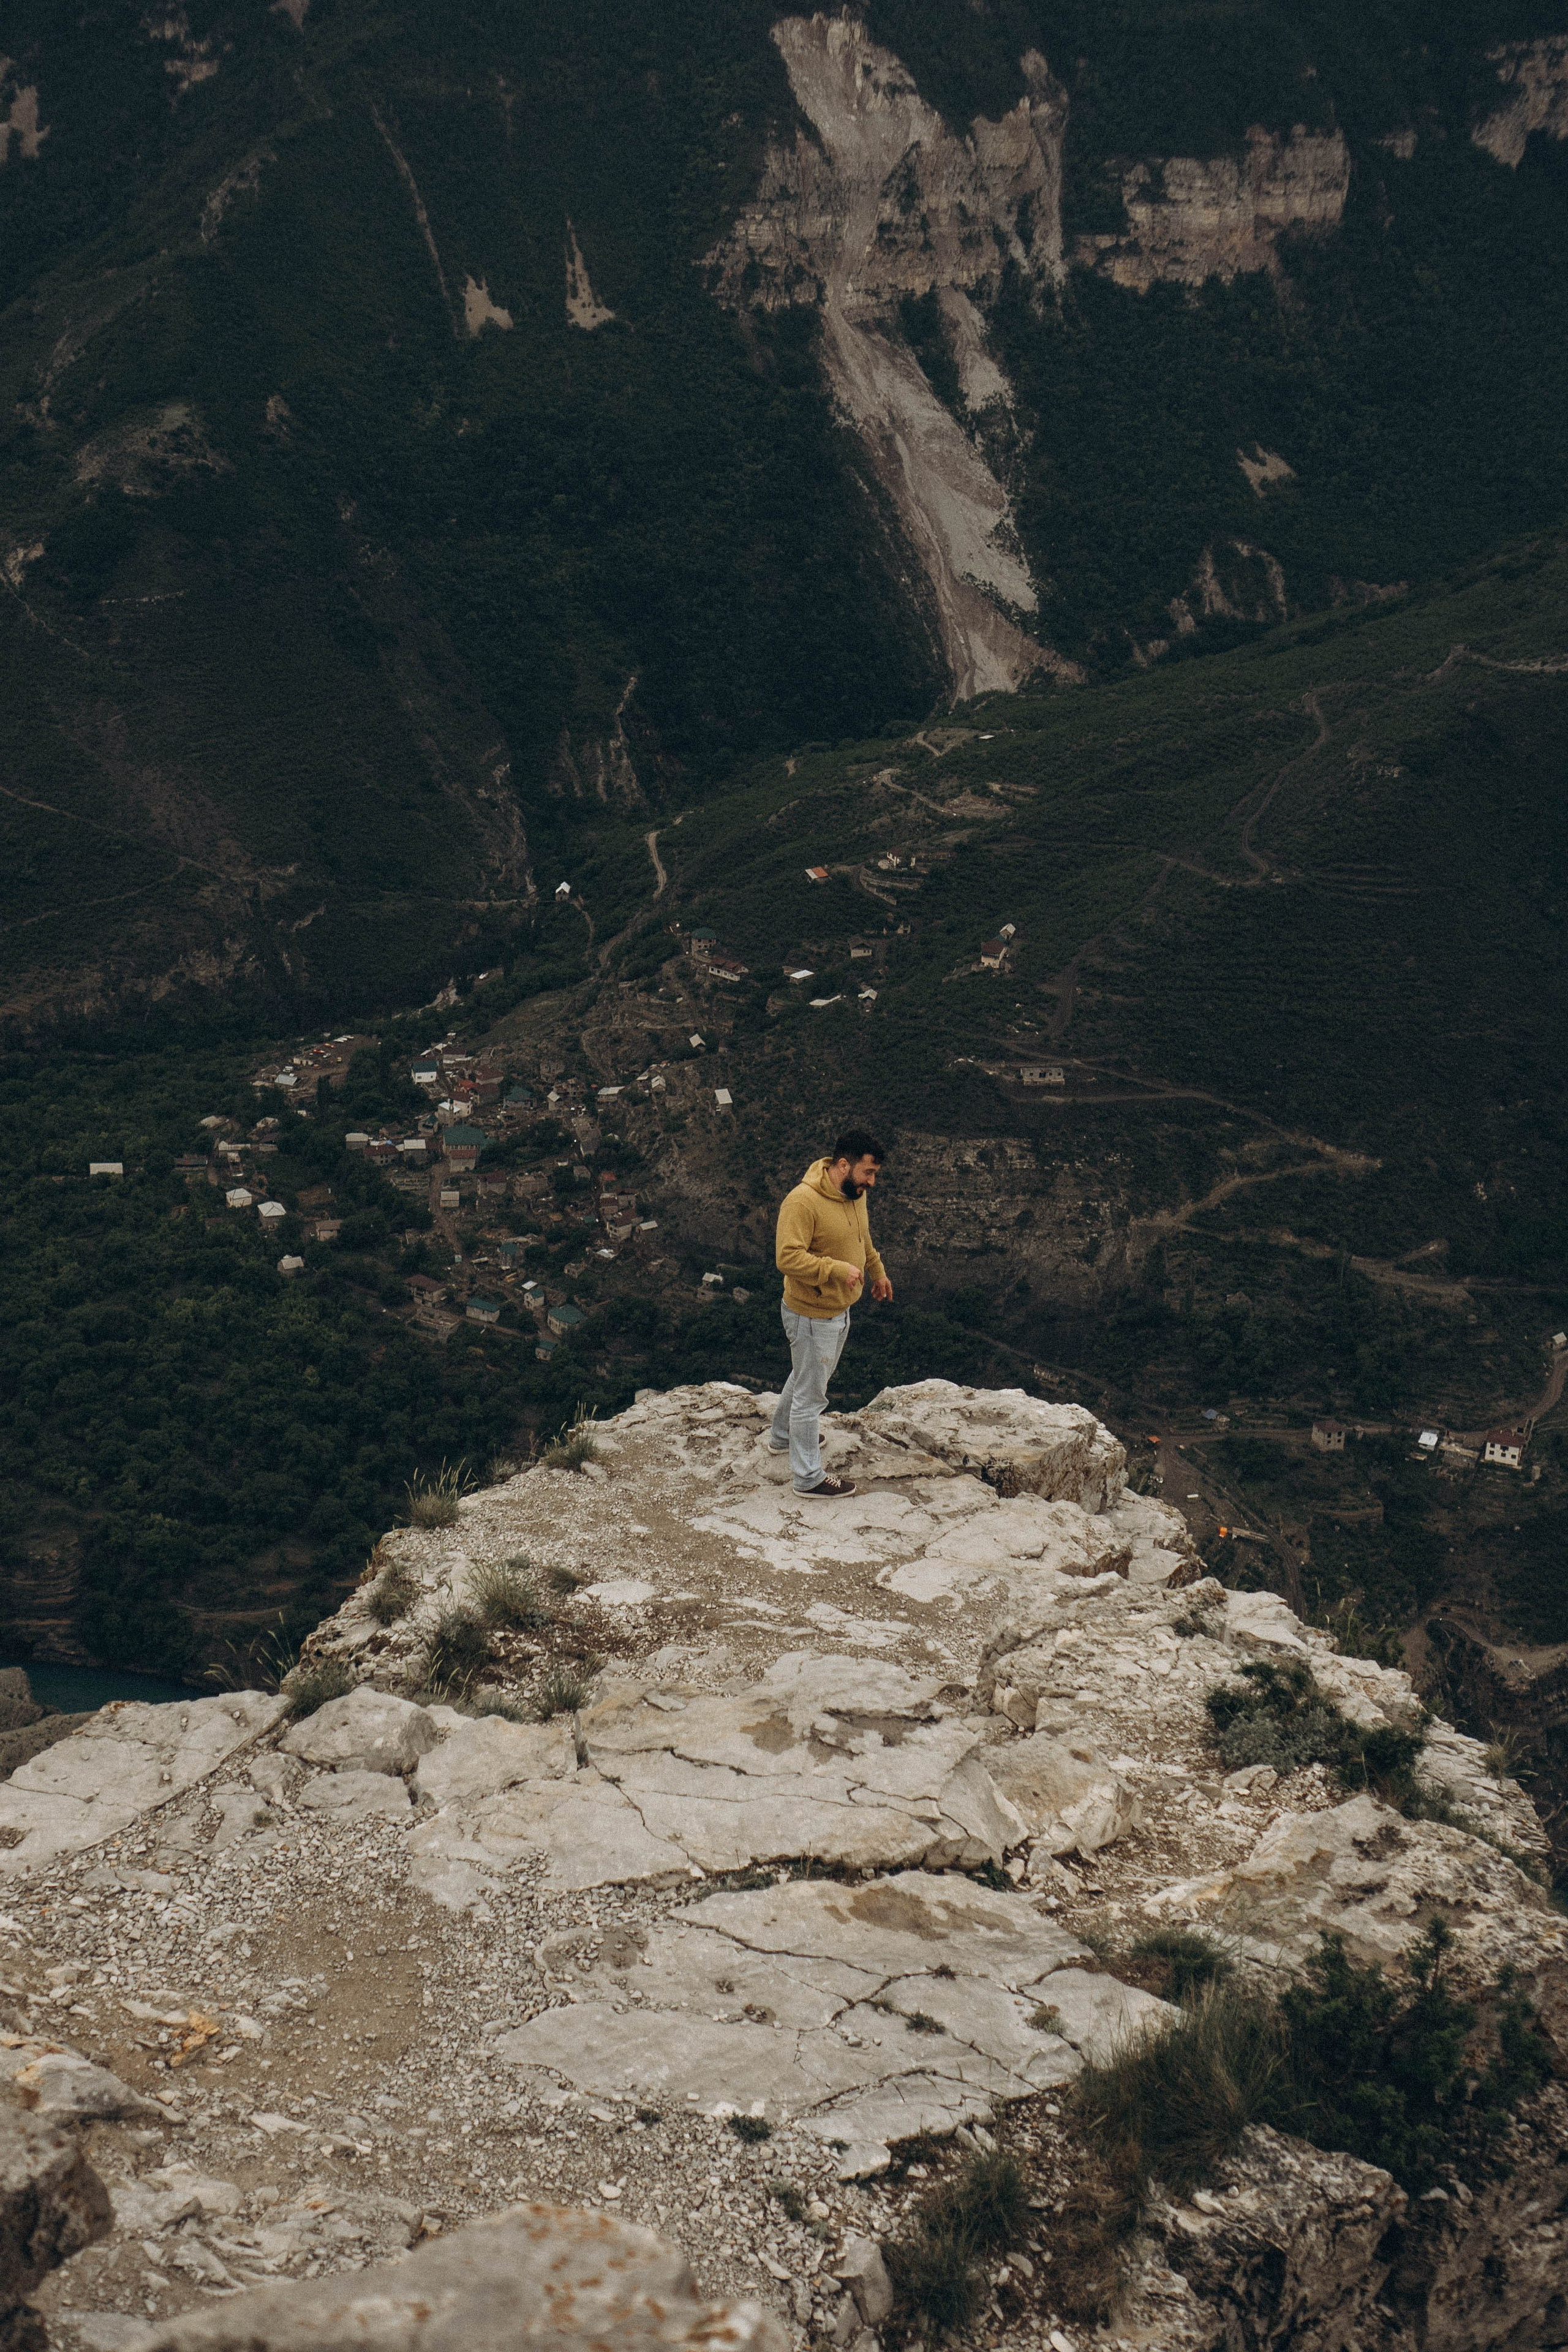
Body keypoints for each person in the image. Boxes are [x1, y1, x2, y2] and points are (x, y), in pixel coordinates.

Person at [770, 1128, 892, 1498]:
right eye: (867, 1173)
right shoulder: (802, 1202)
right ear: (843, 1165)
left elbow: (862, 1236)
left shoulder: (854, 1195)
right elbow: (787, 1258)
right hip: (811, 1313)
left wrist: (878, 1270)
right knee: (812, 1395)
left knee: (806, 1376)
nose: (871, 1182)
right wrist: (836, 1270)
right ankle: (808, 1478)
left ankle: (782, 1437)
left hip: (838, 1308)